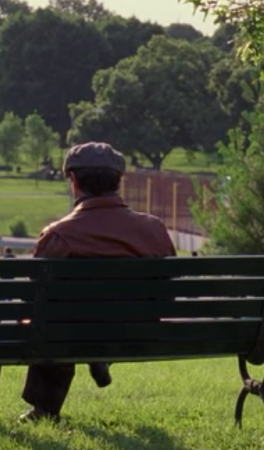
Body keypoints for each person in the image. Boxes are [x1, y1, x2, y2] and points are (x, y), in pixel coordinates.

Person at [19, 142, 177, 424]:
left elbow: (33, 299)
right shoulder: (154, 229)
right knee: (58, 318)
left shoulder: (59, 236)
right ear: (119, 181)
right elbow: (169, 291)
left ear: (73, 180)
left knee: (50, 320)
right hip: (138, 330)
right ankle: (99, 354)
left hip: (70, 334)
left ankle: (45, 409)